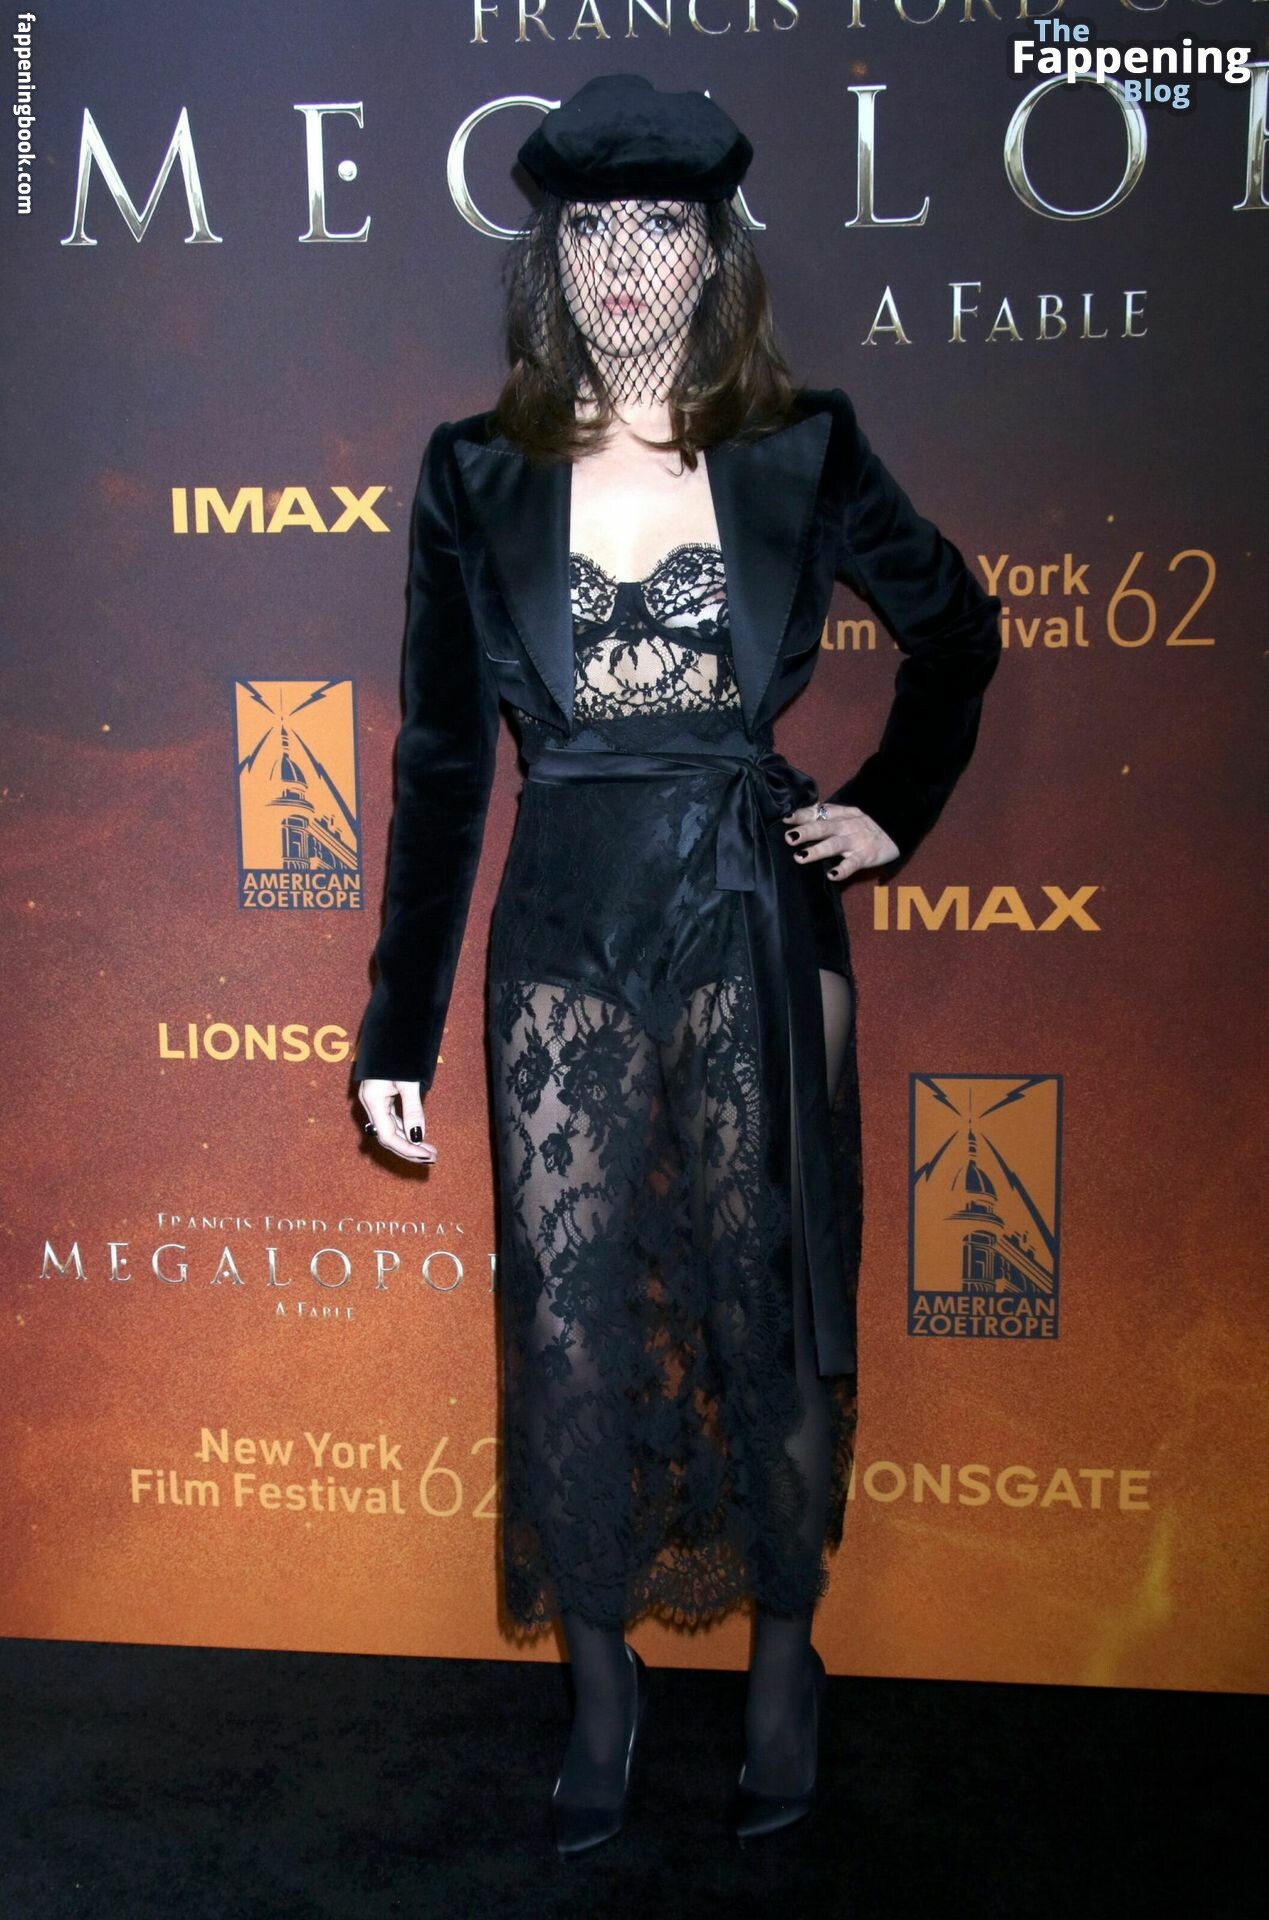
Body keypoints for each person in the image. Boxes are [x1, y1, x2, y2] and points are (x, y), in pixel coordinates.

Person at [354, 73, 1003, 1855]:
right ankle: (600, 1684)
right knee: (566, 1327)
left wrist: (886, 809)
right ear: (549, 257)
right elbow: (439, 767)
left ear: (712, 253)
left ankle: (787, 1661)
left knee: (762, 1303)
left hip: (745, 915)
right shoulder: (472, 475)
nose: (626, 258)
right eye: (592, 227)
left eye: (661, 225)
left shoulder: (803, 448)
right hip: (562, 925)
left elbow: (955, 630)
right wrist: (394, 1030)